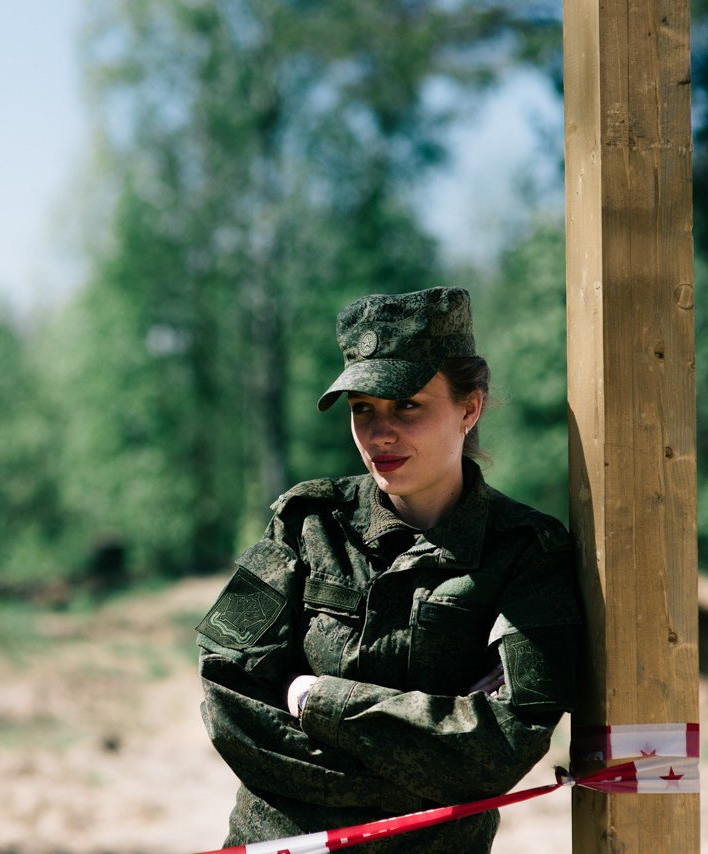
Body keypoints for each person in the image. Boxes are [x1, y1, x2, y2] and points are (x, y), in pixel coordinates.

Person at [195, 287, 582, 853]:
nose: (380, 434)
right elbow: (230, 697)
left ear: (469, 408)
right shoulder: (307, 523)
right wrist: (414, 769)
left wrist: (317, 702)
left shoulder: (525, 551)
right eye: (362, 409)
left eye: (407, 405)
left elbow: (506, 741)